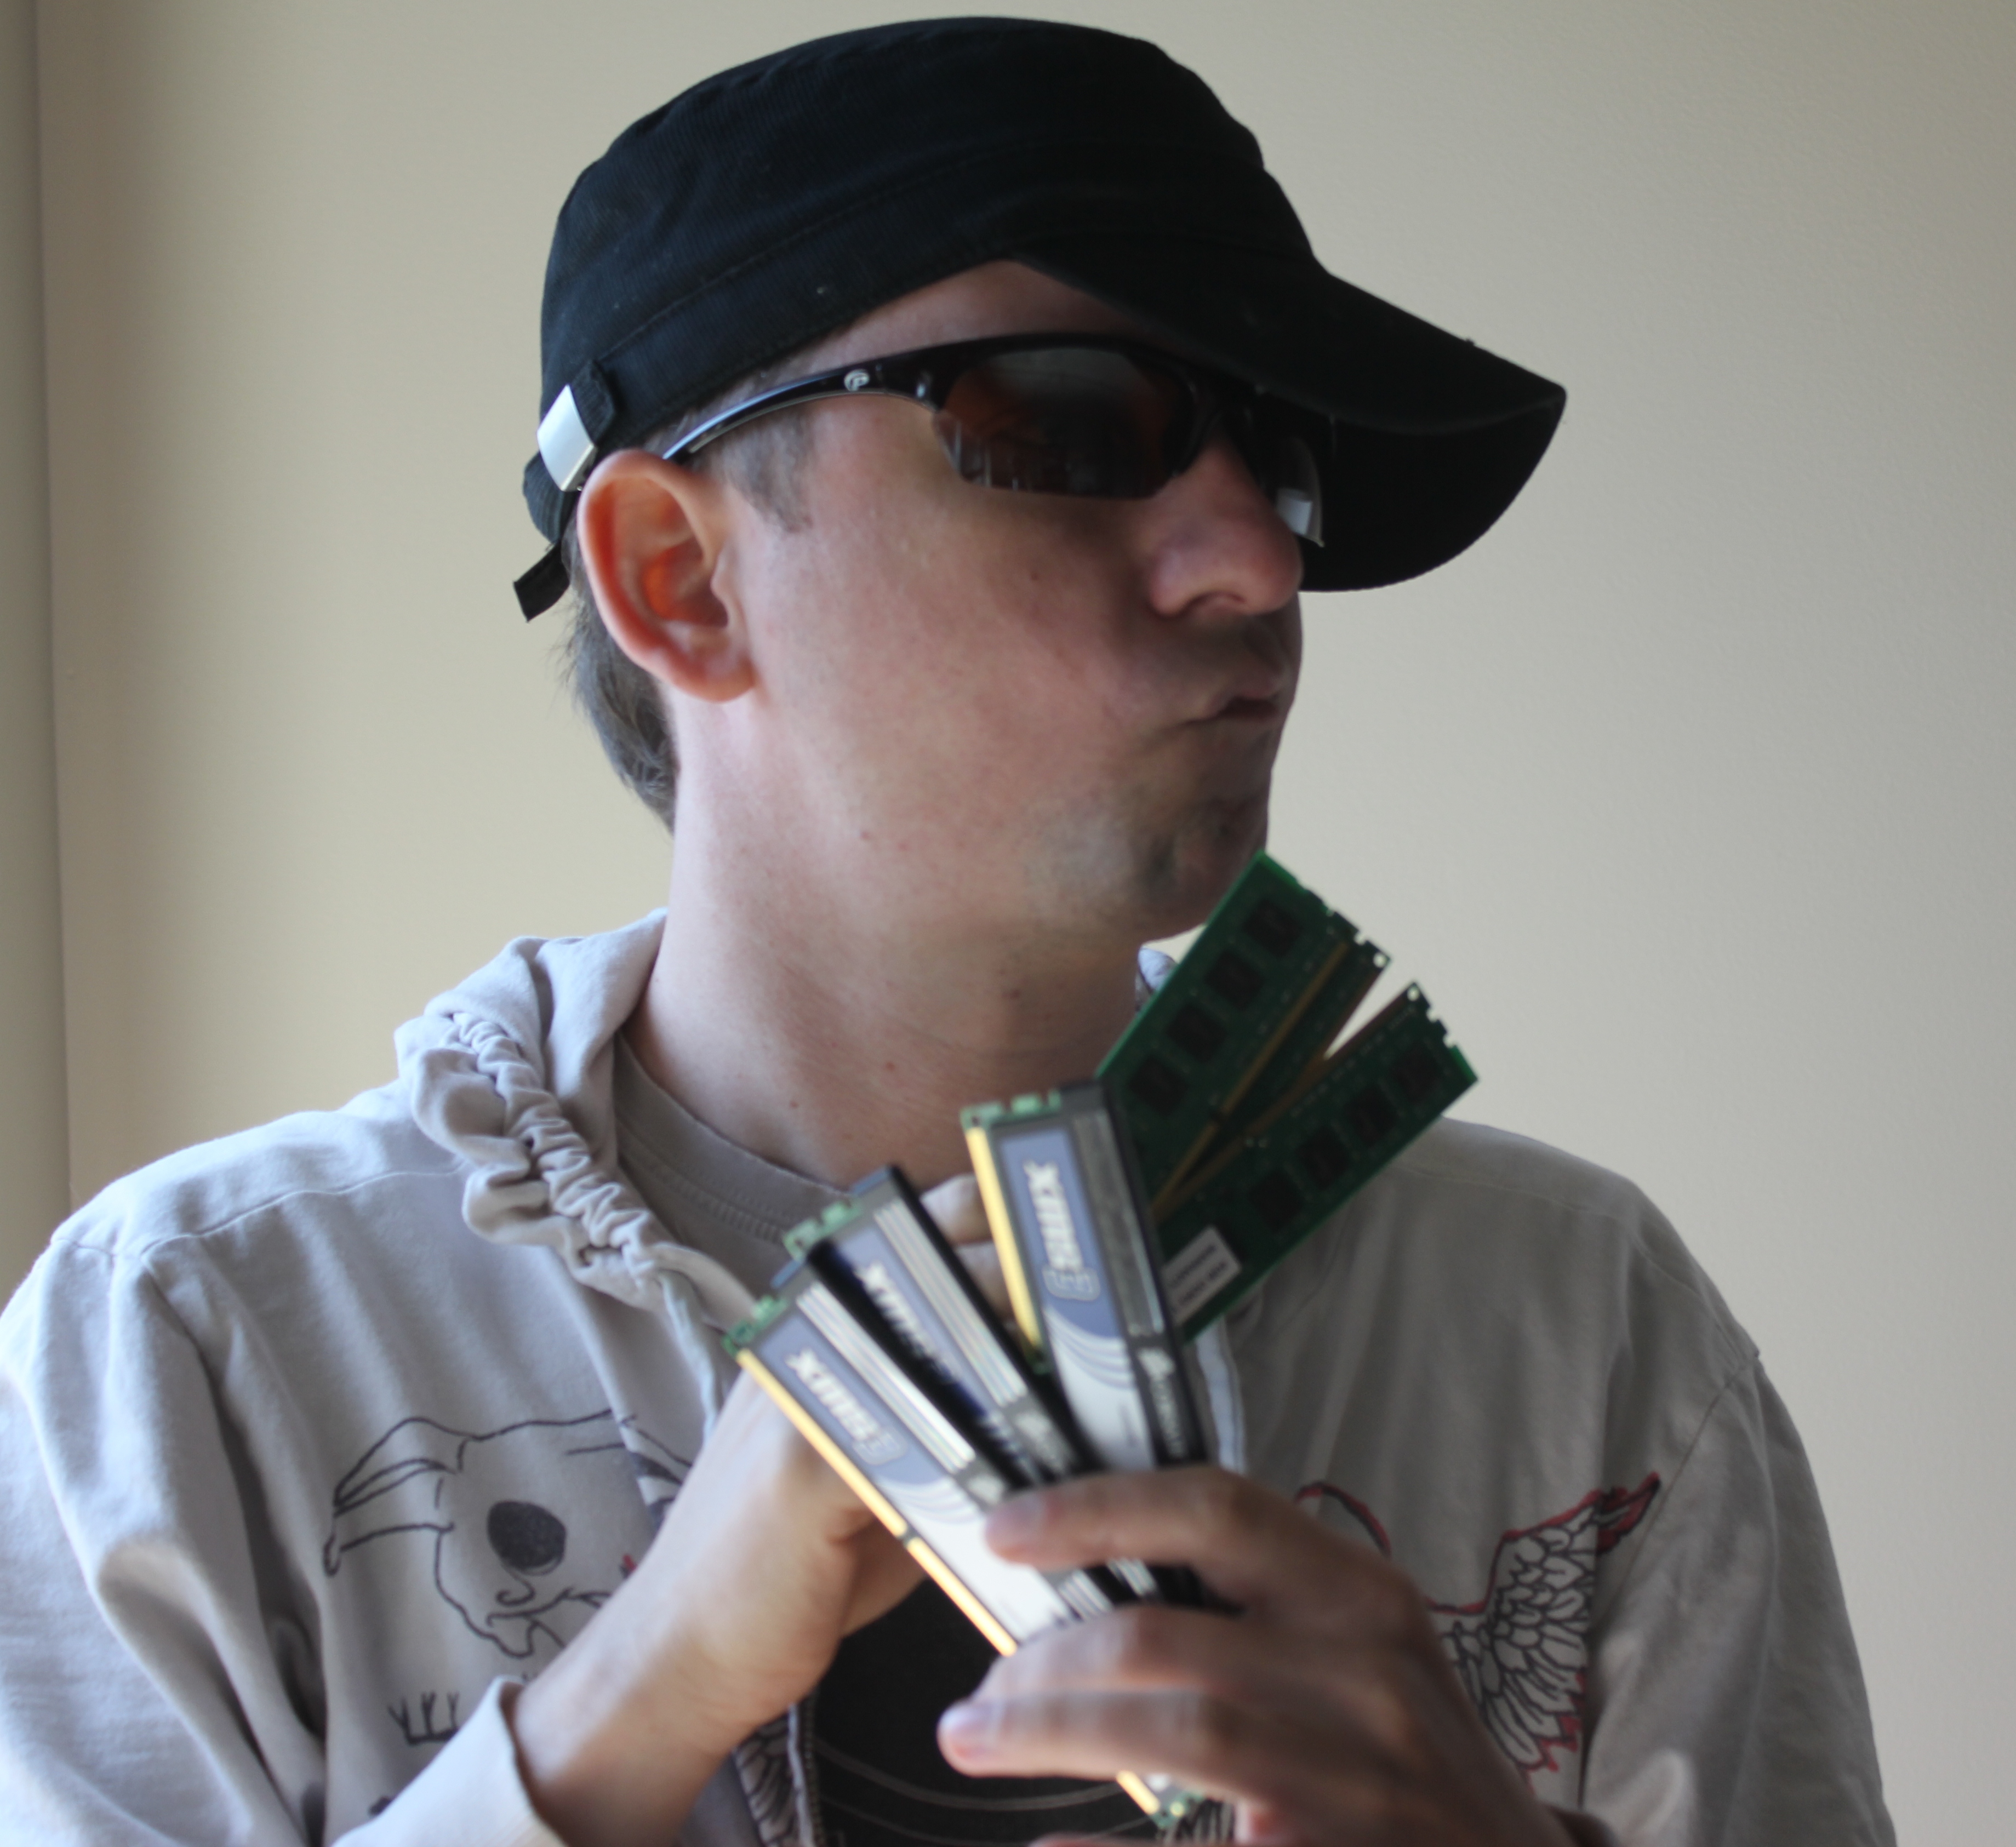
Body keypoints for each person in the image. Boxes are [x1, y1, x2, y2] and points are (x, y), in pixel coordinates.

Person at [0, 19, 1891, 1847]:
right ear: (679, 577)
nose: (1260, 558)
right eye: (1072, 424)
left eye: (1280, 458)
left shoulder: (1580, 1333)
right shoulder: (195, 1357)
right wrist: (633, 1697)